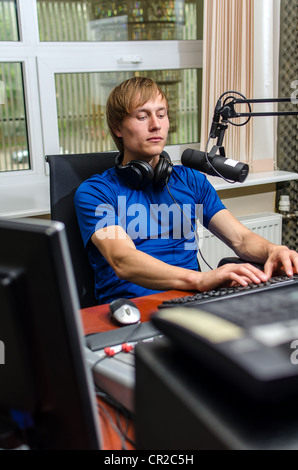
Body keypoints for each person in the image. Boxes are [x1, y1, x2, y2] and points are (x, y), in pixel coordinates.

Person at [74, 76, 298, 305]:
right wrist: (200, 280)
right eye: (142, 116)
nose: (156, 124)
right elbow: (123, 260)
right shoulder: (95, 192)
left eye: (161, 115)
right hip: (130, 311)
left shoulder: (191, 180)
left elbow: (240, 239)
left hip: (192, 304)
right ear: (117, 128)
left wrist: (273, 250)